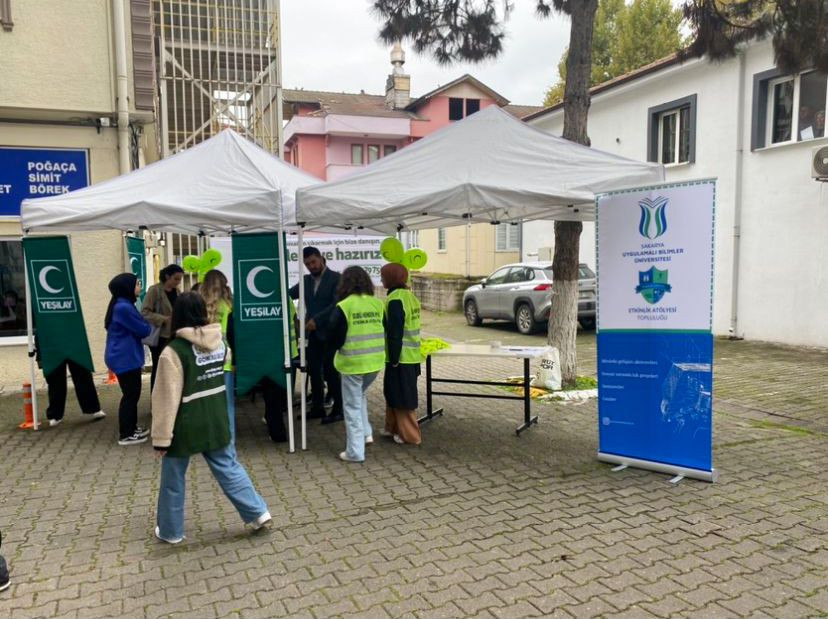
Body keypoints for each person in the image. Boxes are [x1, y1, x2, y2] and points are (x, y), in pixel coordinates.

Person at [151, 292, 271, 544]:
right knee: (228, 466)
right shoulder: (221, 344)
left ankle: (171, 531)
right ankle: (258, 512)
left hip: (185, 423)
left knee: (173, 477)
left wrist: (161, 438)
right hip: (217, 418)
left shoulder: (173, 352)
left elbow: (166, 398)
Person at [329, 266, 385, 462]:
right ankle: (366, 434)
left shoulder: (344, 306)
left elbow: (335, 337)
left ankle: (355, 452)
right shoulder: (378, 304)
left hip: (352, 363)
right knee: (359, 396)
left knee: (351, 406)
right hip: (375, 362)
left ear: (344, 283)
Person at [289, 247, 342, 424]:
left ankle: (338, 409)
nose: (311, 266)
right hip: (312, 335)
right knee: (313, 371)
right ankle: (317, 407)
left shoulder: (336, 278)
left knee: (331, 372)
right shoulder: (305, 281)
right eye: (307, 264)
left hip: (331, 333)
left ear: (321, 258)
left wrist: (317, 320)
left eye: (313, 262)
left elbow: (336, 304)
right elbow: (288, 295)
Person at [105, 273, 152, 446]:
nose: (139, 287)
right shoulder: (123, 307)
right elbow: (143, 329)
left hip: (125, 356)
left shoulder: (122, 304)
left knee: (132, 394)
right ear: (127, 287)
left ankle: (132, 427)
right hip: (124, 357)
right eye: (137, 284)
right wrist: (146, 324)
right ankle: (126, 434)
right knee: (131, 395)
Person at [381, 263, 423, 446]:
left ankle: (410, 436)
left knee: (402, 398)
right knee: (393, 393)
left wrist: (394, 358)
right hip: (412, 355)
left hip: (400, 357)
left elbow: (395, 333)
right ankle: (392, 428)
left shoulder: (395, 299)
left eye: (383, 276)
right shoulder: (410, 296)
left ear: (391, 279)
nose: (381, 279)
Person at [199, 270, 237, 444]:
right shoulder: (228, 305)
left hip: (202, 359)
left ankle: (208, 439)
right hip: (224, 359)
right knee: (227, 404)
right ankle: (229, 441)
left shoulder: (198, 305)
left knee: (205, 401)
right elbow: (233, 334)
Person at [142, 264, 184, 390]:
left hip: (174, 335)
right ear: (167, 276)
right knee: (159, 366)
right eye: (176, 279)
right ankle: (155, 395)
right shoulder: (155, 291)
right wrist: (163, 319)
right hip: (160, 336)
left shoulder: (177, 292)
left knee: (172, 366)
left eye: (180, 279)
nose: (178, 282)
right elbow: (145, 312)